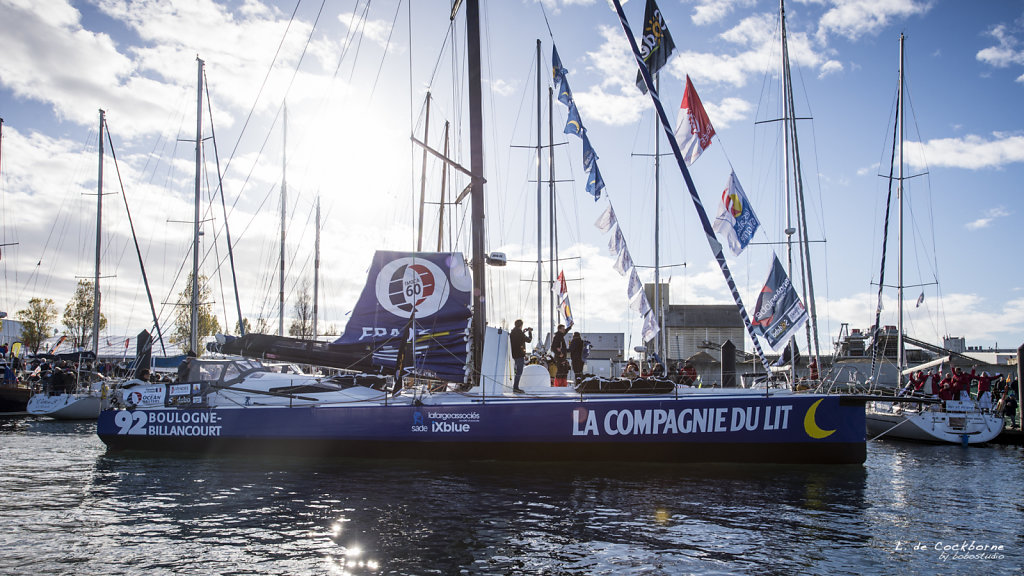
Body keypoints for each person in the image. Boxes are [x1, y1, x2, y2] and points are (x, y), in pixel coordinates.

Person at [509, 320, 532, 393]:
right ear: (521, 325)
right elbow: (529, 340)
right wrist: (530, 332)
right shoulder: (520, 333)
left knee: (517, 371)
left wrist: (523, 332)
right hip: (519, 355)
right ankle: (515, 387)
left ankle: (515, 387)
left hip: (514, 354)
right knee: (519, 372)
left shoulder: (513, 332)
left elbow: (518, 339)